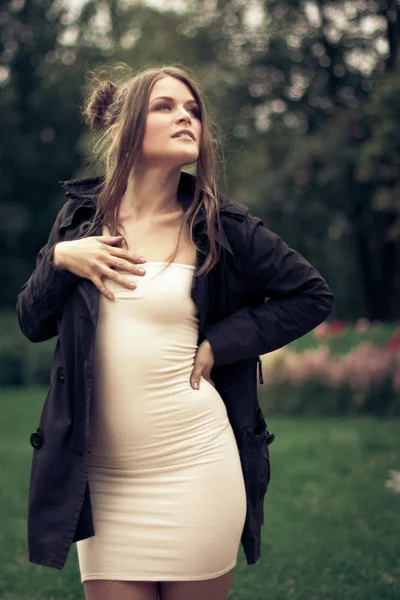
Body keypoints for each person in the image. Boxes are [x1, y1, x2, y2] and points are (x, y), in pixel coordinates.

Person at [17, 64, 335, 600]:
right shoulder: (80, 220)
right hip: (105, 485)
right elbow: (31, 321)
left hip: (196, 468)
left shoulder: (222, 226)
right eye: (165, 106)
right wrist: (61, 258)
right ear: (124, 128)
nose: (186, 117)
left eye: (193, 110)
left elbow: (312, 295)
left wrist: (221, 341)